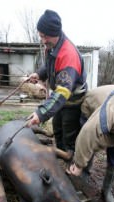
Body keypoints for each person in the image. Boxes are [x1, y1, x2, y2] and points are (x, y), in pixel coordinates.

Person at [27, 9, 87, 155]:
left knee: (69, 133)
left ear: (54, 33)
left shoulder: (68, 56)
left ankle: (72, 161)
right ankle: (60, 155)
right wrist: (39, 74)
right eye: (40, 36)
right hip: (61, 100)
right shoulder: (52, 46)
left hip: (72, 101)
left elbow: (62, 93)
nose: (43, 40)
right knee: (57, 128)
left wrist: (40, 114)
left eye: (44, 36)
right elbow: (50, 66)